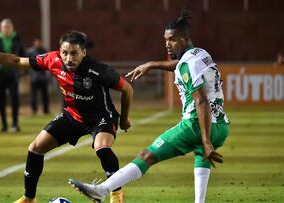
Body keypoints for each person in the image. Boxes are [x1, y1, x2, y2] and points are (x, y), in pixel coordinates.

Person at [69, 8, 230, 203]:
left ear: (185, 39)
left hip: (196, 124)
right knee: (200, 155)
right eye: (165, 40)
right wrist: (152, 64)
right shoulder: (201, 54)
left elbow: (201, 100)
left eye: (172, 40)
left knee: (147, 155)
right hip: (220, 126)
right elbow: (180, 64)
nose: (167, 45)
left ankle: (102, 190)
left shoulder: (188, 65)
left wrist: (205, 140)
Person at [0, 30, 133, 203]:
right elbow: (17, 61)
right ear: (59, 52)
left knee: (102, 148)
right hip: (72, 116)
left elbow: (127, 89)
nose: (69, 58)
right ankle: (29, 198)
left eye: (74, 53)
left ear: (83, 52)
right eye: (65, 53)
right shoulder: (52, 59)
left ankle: (116, 194)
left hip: (101, 117)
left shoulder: (98, 70)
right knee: (35, 148)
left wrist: (124, 118)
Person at [0, 18, 25, 132]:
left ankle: (15, 123)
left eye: (8, 27)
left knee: (15, 99)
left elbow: (23, 56)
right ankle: (4, 124)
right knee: (0, 100)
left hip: (13, 74)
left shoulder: (18, 39)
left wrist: (24, 72)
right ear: (1, 28)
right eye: (4, 27)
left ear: (12, 28)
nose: (6, 29)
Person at [26, 38, 50, 115]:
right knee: (34, 95)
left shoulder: (45, 51)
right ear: (34, 43)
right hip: (34, 78)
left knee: (45, 95)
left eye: (39, 42)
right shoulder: (30, 52)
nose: (38, 43)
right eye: (37, 42)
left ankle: (46, 110)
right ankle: (34, 110)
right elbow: (26, 63)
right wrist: (27, 75)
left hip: (43, 78)